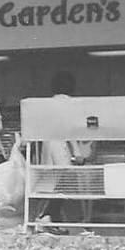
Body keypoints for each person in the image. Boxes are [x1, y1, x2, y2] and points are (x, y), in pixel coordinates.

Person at [36, 71, 94, 228]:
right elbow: (70, 130)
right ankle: (46, 215)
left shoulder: (47, 103)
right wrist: (77, 153)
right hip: (62, 146)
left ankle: (52, 218)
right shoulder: (69, 103)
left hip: (48, 145)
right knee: (65, 182)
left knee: (51, 184)